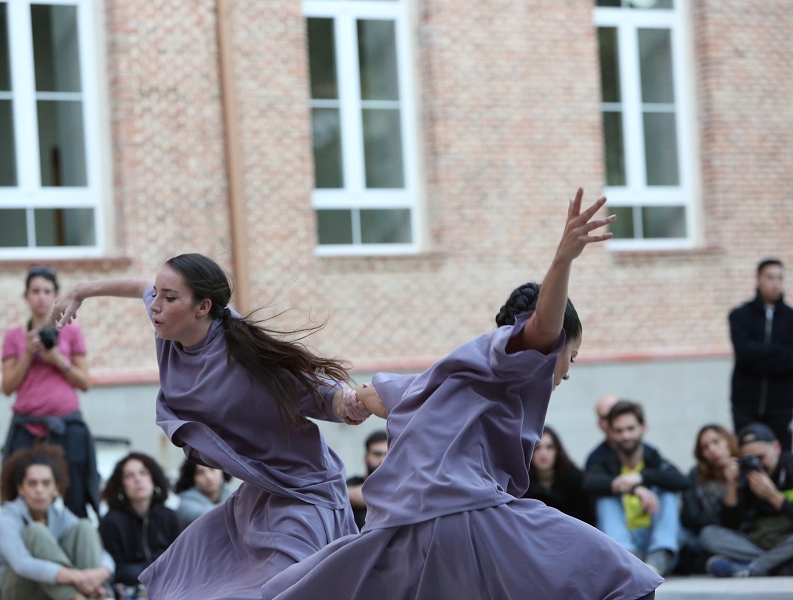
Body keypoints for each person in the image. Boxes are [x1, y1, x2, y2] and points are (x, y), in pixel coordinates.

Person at [262, 188, 661, 600]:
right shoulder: (514, 359)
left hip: (407, 531)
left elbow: (378, 397)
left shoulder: (452, 375)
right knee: (620, 578)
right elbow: (543, 327)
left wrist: (349, 401)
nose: (568, 369)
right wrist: (564, 257)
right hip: (470, 515)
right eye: (571, 355)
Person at [51, 253, 368, 600]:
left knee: (284, 589)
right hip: (257, 495)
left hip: (303, 495)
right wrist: (82, 290)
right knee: (184, 581)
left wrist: (349, 401)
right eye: (157, 294)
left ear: (203, 307)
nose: (155, 304)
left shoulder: (244, 356)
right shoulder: (170, 324)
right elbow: (139, 286)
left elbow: (317, 390)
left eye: (169, 298)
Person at [0, 266, 98, 518]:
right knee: (21, 495)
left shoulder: (72, 332)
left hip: (67, 424)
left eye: (47, 291)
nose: (41, 297)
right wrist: (28, 355)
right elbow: (7, 387)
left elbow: (84, 383)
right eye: (35, 291)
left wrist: (56, 358)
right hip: (27, 426)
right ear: (26, 296)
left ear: (55, 295)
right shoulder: (14, 336)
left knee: (75, 495)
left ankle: (78, 551)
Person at [0, 444, 114, 600]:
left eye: (46, 483)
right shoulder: (7, 519)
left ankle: (94, 595)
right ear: (21, 488)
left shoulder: (60, 516)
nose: (39, 490)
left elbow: (103, 553)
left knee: (85, 528)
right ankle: (79, 598)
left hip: (44, 593)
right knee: (36, 532)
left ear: (56, 488)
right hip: (0, 594)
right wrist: (74, 576)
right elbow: (22, 564)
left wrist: (101, 572)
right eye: (32, 483)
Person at [583, 400, 689, 576]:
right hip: (624, 540)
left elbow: (682, 481)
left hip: (656, 537)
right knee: (605, 496)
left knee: (667, 490)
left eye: (630, 429)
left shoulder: (652, 456)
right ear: (610, 433)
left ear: (643, 428)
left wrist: (641, 477)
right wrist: (633, 488)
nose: (626, 436)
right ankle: (628, 557)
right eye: (619, 431)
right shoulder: (602, 461)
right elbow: (589, 484)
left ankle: (660, 556)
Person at [700, 422, 793, 577]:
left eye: (761, 457)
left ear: (776, 448)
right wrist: (732, 485)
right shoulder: (747, 473)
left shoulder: (790, 466)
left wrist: (775, 497)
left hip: (788, 538)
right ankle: (778, 564)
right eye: (751, 458)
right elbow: (730, 524)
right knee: (708, 534)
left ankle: (753, 568)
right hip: (759, 543)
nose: (758, 464)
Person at [729, 258, 793, 451]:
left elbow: (791, 360)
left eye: (779, 278)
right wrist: (778, 353)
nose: (775, 283)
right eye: (770, 277)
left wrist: (760, 354)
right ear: (758, 279)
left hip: (781, 407)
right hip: (746, 406)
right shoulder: (740, 315)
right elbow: (744, 355)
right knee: (747, 455)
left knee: (782, 458)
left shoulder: (791, 319)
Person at [99, 452, 181, 598]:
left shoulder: (169, 516)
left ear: (153, 479)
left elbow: (180, 558)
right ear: (121, 485)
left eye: (143, 473)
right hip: (129, 588)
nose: (138, 479)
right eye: (129, 475)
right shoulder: (111, 521)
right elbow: (114, 568)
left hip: (170, 584)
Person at [679, 424, 741, 573]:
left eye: (716, 442)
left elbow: (740, 520)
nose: (712, 449)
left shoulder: (744, 471)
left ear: (728, 441)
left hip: (738, 536)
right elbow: (690, 517)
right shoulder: (696, 475)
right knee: (691, 540)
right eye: (705, 447)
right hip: (704, 534)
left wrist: (732, 483)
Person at [526, 425, 594, 524]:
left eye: (549, 447)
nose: (543, 453)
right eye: (537, 448)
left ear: (557, 450)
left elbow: (587, 518)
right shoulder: (521, 486)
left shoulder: (575, 479)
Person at [174, 459, 233, 528]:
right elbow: (212, 516)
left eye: (212, 468)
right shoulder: (186, 505)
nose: (209, 477)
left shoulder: (231, 496)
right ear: (192, 478)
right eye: (200, 472)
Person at [347, 430, 388, 530]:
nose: (382, 460)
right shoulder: (352, 483)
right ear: (366, 457)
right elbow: (338, 494)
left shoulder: (401, 484)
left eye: (387, 454)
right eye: (377, 454)